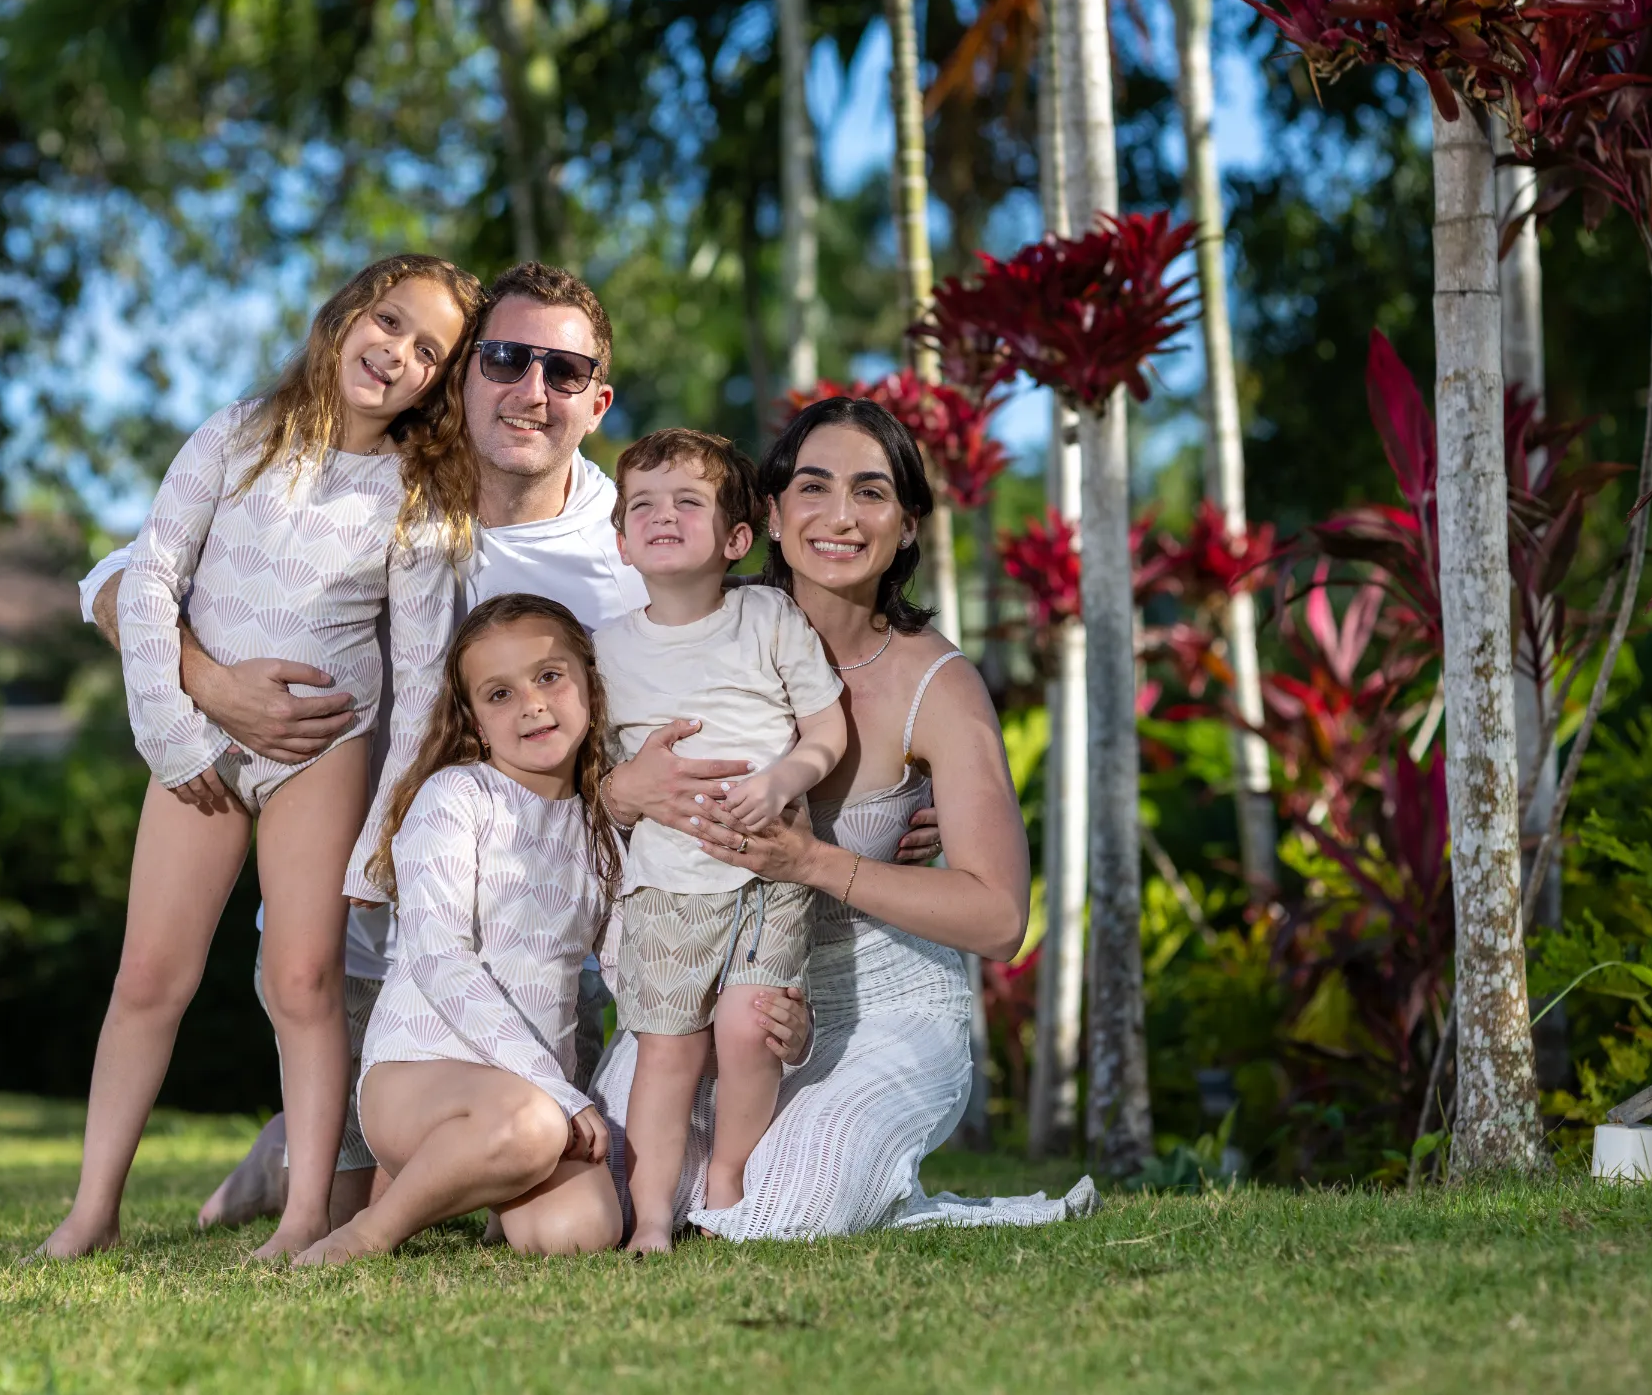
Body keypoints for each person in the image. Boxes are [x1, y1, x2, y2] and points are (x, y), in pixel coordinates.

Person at [78, 262, 666, 1230]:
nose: (531, 390)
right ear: (465, 380)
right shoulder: (350, 468)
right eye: (506, 359)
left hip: (520, 939)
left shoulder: (624, 548)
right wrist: (211, 683)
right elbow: (119, 575)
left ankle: (328, 1163)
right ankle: (296, 1162)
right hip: (360, 928)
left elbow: (716, 658)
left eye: (562, 372)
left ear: (596, 400)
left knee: (555, 1223)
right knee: (322, 1101)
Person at [34, 253, 482, 1263]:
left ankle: (303, 1214)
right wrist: (171, 726)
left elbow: (420, 682)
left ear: (438, 384)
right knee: (149, 974)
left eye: (427, 352)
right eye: (390, 322)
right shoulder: (238, 433)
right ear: (345, 317)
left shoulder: (417, 498)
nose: (398, 354)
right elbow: (149, 576)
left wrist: (380, 840)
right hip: (196, 747)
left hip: (321, 757)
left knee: (303, 978)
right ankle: (91, 1210)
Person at [593, 396, 1099, 1239]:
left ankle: (885, 1186)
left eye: (869, 493)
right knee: (624, 1191)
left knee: (784, 1207)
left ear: (904, 526)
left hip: (882, 1001)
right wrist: (621, 792)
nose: (837, 515)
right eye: (813, 487)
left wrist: (818, 862)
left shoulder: (936, 685)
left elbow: (1000, 918)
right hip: (712, 990)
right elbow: (564, 798)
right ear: (770, 513)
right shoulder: (684, 632)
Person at [296, 594, 627, 1265]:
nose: (532, 704)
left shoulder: (601, 827)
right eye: (499, 693)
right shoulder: (456, 798)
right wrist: (557, 1092)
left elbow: (627, 974)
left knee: (582, 1233)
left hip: (530, 1093)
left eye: (549, 676)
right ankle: (369, 1230)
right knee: (533, 1125)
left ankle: (493, 1193)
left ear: (589, 682)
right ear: (473, 720)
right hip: (418, 1076)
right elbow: (441, 959)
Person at [592, 429, 847, 1253]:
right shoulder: (604, 649)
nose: (663, 516)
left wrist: (784, 779)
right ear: (620, 540)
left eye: (688, 502)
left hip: (768, 876)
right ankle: (653, 1217)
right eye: (644, 505)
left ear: (736, 539)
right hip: (665, 889)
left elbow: (824, 728)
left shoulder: (765, 616)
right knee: (665, 1057)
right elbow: (598, 776)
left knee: (746, 1028)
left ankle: (729, 1181)